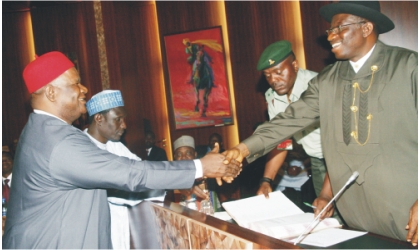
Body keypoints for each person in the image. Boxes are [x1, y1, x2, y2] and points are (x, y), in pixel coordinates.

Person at [223, 1, 417, 245]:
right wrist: (242, 149)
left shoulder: (409, 66)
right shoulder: (328, 80)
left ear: (366, 28)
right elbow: (289, 120)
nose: (331, 36)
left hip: (406, 209)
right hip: (355, 214)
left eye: (339, 28)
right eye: (330, 30)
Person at [2, 51, 241, 249]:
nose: (84, 88)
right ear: (52, 92)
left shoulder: (40, 129)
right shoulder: (57, 141)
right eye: (75, 82)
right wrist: (201, 166)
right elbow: (132, 174)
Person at [84, 89, 165, 249]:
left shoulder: (115, 146)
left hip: (120, 229)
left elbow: (143, 171)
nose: (124, 125)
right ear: (99, 118)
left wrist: (178, 181)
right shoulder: (82, 149)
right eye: (118, 119)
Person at [254, 40, 326, 199]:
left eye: (278, 72)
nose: (273, 80)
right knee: (329, 217)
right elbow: (281, 141)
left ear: (295, 65)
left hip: (341, 157)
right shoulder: (274, 98)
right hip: (316, 160)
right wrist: (267, 180)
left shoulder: (319, 85)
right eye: (267, 75)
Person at [173, 135, 222, 212]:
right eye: (179, 154)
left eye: (188, 153)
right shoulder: (170, 176)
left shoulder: (205, 171)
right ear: (175, 157)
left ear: (195, 154)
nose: (183, 157)